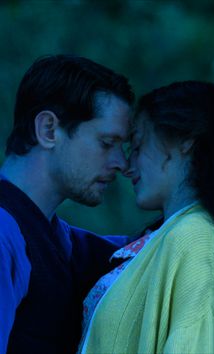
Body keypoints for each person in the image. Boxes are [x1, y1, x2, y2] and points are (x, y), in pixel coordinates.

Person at [80, 81, 214, 353]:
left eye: (137, 145)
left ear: (185, 141)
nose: (127, 166)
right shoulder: (173, 235)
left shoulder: (196, 238)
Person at [0, 54, 134, 354]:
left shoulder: (53, 236)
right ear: (49, 130)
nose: (121, 163)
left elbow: (141, 249)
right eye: (106, 142)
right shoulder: (4, 235)